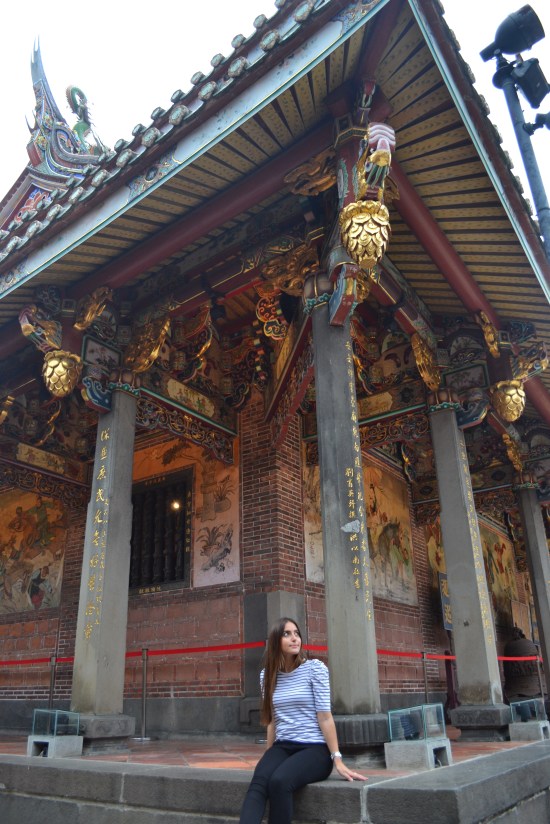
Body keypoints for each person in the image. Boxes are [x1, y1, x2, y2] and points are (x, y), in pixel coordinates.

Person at [239, 617, 366, 824]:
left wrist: (337, 759)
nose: (294, 638)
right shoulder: (267, 676)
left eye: (296, 633)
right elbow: (273, 721)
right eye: (287, 634)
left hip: (314, 749)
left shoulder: (315, 669)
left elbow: (325, 717)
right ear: (275, 641)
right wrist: (268, 757)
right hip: (283, 746)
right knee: (260, 780)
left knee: (279, 781)